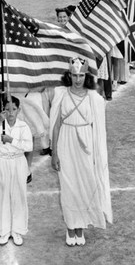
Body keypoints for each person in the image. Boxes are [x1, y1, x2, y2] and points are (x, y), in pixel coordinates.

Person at [50, 57, 112, 246]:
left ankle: (81, 227)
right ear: (69, 75)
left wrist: (97, 153)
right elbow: (56, 124)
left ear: (86, 76)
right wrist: (54, 153)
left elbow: (97, 128)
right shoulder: (61, 93)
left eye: (81, 75)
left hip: (86, 144)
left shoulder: (94, 97)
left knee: (85, 184)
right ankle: (70, 227)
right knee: (68, 187)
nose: (78, 79)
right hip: (65, 141)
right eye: (74, 75)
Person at [0, 95, 33, 246]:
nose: (10, 113)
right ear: (3, 111)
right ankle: (4, 231)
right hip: (3, 162)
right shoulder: (0, 125)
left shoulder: (23, 126)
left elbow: (28, 147)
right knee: (3, 195)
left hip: (18, 162)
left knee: (18, 195)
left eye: (13, 109)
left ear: (18, 110)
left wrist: (11, 140)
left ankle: (17, 230)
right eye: (7, 109)